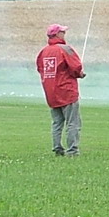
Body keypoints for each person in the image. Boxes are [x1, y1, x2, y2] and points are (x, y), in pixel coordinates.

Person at [36, 23, 85, 156]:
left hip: (50, 93)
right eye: (63, 32)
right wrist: (80, 74)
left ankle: (57, 148)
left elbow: (40, 69)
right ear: (57, 34)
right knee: (72, 123)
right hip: (67, 91)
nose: (64, 34)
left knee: (57, 123)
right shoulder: (65, 49)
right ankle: (72, 151)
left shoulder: (43, 52)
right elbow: (76, 67)